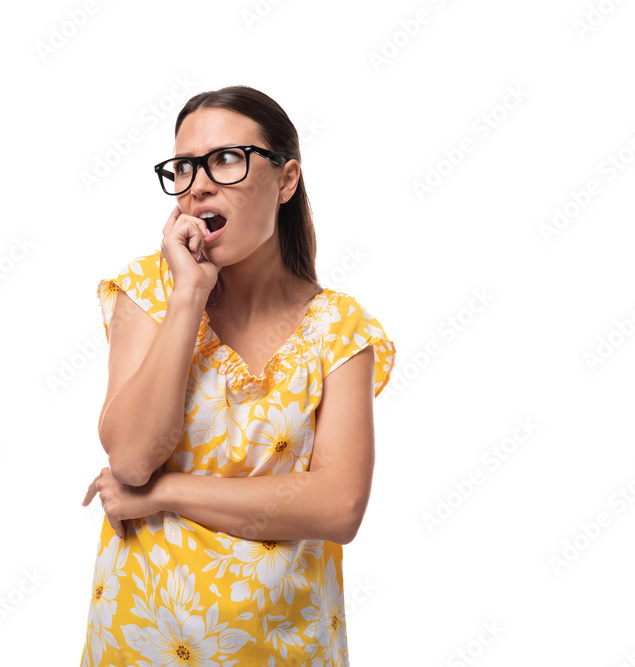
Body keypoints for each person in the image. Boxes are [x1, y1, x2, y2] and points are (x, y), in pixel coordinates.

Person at [79, 85, 396, 666]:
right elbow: (130, 458)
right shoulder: (149, 292)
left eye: (225, 159)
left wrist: (163, 494)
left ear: (286, 179)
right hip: (142, 645)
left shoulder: (340, 327)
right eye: (184, 167)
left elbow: (338, 506)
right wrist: (189, 296)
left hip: (289, 649)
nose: (198, 184)